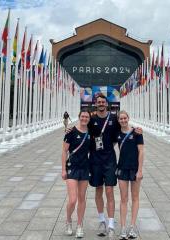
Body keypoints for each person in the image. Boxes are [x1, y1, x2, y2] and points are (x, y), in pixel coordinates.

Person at [87, 94, 142, 240]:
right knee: (98, 190)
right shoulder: (91, 119)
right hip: (95, 160)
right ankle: (101, 222)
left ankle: (111, 224)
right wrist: (68, 130)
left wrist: (137, 129)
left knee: (110, 191)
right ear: (95, 103)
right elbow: (81, 127)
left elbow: (125, 127)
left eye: (103, 102)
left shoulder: (113, 119)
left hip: (110, 160)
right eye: (98, 102)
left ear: (107, 103)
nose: (100, 104)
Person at [61, 109, 91, 238]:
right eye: (82, 116)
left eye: (86, 117)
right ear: (79, 117)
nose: (84, 118)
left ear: (89, 119)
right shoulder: (71, 132)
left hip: (85, 168)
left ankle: (79, 225)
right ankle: (68, 220)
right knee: (72, 200)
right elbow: (64, 151)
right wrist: (63, 169)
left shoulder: (92, 133)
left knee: (82, 198)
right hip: (72, 167)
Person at [116, 111, 144, 240]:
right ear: (118, 120)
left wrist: (140, 170)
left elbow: (141, 152)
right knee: (123, 199)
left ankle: (132, 227)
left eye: (124, 118)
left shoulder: (137, 133)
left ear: (128, 118)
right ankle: (122, 228)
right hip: (122, 168)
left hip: (134, 169)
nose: (123, 120)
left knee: (135, 198)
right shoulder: (117, 133)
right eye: (120, 119)